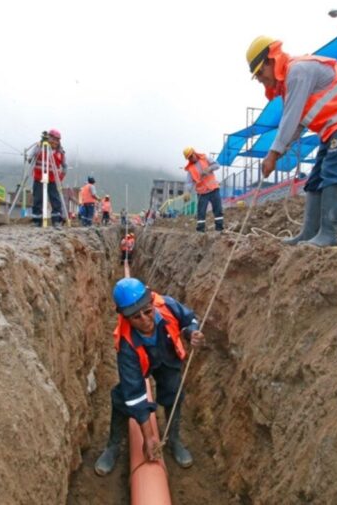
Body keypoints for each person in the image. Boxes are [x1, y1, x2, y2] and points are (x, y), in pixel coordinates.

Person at [246, 36, 337, 246]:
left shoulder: (297, 72)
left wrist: (273, 154)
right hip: (333, 129)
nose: (259, 79)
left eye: (260, 72)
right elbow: (297, 124)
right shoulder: (290, 81)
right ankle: (310, 233)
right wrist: (281, 149)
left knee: (333, 173)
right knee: (315, 180)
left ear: (271, 60)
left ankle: (328, 235)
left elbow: (290, 118)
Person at [94, 278, 205, 476]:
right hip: (140, 361)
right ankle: (113, 446)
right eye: (136, 317)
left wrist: (192, 333)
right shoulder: (126, 345)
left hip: (167, 356)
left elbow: (189, 319)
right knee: (122, 398)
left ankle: (174, 440)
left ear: (151, 302)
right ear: (125, 317)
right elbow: (134, 392)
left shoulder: (167, 305)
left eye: (147, 311)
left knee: (173, 392)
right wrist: (148, 436)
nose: (145, 319)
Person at [31, 129, 67, 227]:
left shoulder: (60, 152)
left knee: (55, 200)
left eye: (57, 140)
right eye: (53, 139)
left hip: (53, 179)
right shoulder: (40, 147)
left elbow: (64, 166)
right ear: (49, 138)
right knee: (38, 199)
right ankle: (37, 221)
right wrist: (40, 145)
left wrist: (61, 177)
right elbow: (32, 157)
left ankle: (56, 220)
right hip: (39, 178)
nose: (54, 142)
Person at [183, 147, 223, 232]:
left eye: (191, 156)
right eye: (189, 158)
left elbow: (217, 165)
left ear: (194, 152)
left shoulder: (205, 158)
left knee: (218, 209)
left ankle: (219, 229)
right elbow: (189, 183)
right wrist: (187, 192)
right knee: (201, 212)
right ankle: (200, 230)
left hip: (213, 189)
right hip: (202, 192)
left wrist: (209, 169)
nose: (191, 158)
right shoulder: (190, 169)